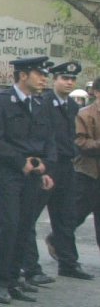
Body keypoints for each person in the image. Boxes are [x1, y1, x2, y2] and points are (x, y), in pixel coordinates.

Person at [0, 56, 55, 303]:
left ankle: (13, 279)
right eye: (39, 73)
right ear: (23, 75)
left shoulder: (40, 104)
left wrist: (46, 166)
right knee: (9, 224)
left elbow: (48, 139)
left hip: (33, 174)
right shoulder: (0, 102)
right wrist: (20, 161)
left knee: (23, 227)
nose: (44, 78)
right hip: (8, 172)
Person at [40, 61, 83, 282]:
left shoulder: (72, 106)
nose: (69, 82)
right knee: (30, 215)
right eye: (65, 78)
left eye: (72, 79)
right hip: (49, 165)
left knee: (66, 216)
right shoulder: (44, 103)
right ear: (54, 79)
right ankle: (28, 267)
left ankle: (68, 262)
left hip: (67, 165)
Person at [67, 89, 100, 278]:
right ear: (96, 92)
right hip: (87, 172)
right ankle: (58, 242)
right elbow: (80, 142)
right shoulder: (85, 114)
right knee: (75, 214)